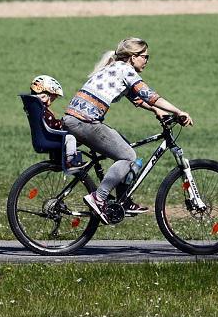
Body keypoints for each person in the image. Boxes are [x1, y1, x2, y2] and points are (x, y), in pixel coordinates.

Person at [63, 37, 193, 223]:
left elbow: (138, 99)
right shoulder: (126, 70)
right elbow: (150, 95)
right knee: (128, 157)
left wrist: (157, 110)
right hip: (84, 122)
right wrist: (178, 111)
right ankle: (99, 197)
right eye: (145, 56)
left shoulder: (114, 68)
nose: (147, 61)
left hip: (75, 120)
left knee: (126, 148)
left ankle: (124, 201)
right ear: (133, 57)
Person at [30, 75, 86, 174]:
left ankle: (62, 159)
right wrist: (62, 123)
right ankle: (71, 162)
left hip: (44, 137)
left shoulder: (36, 108)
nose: (51, 102)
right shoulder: (43, 111)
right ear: (44, 96)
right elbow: (52, 124)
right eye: (52, 98)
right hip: (49, 137)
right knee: (70, 138)